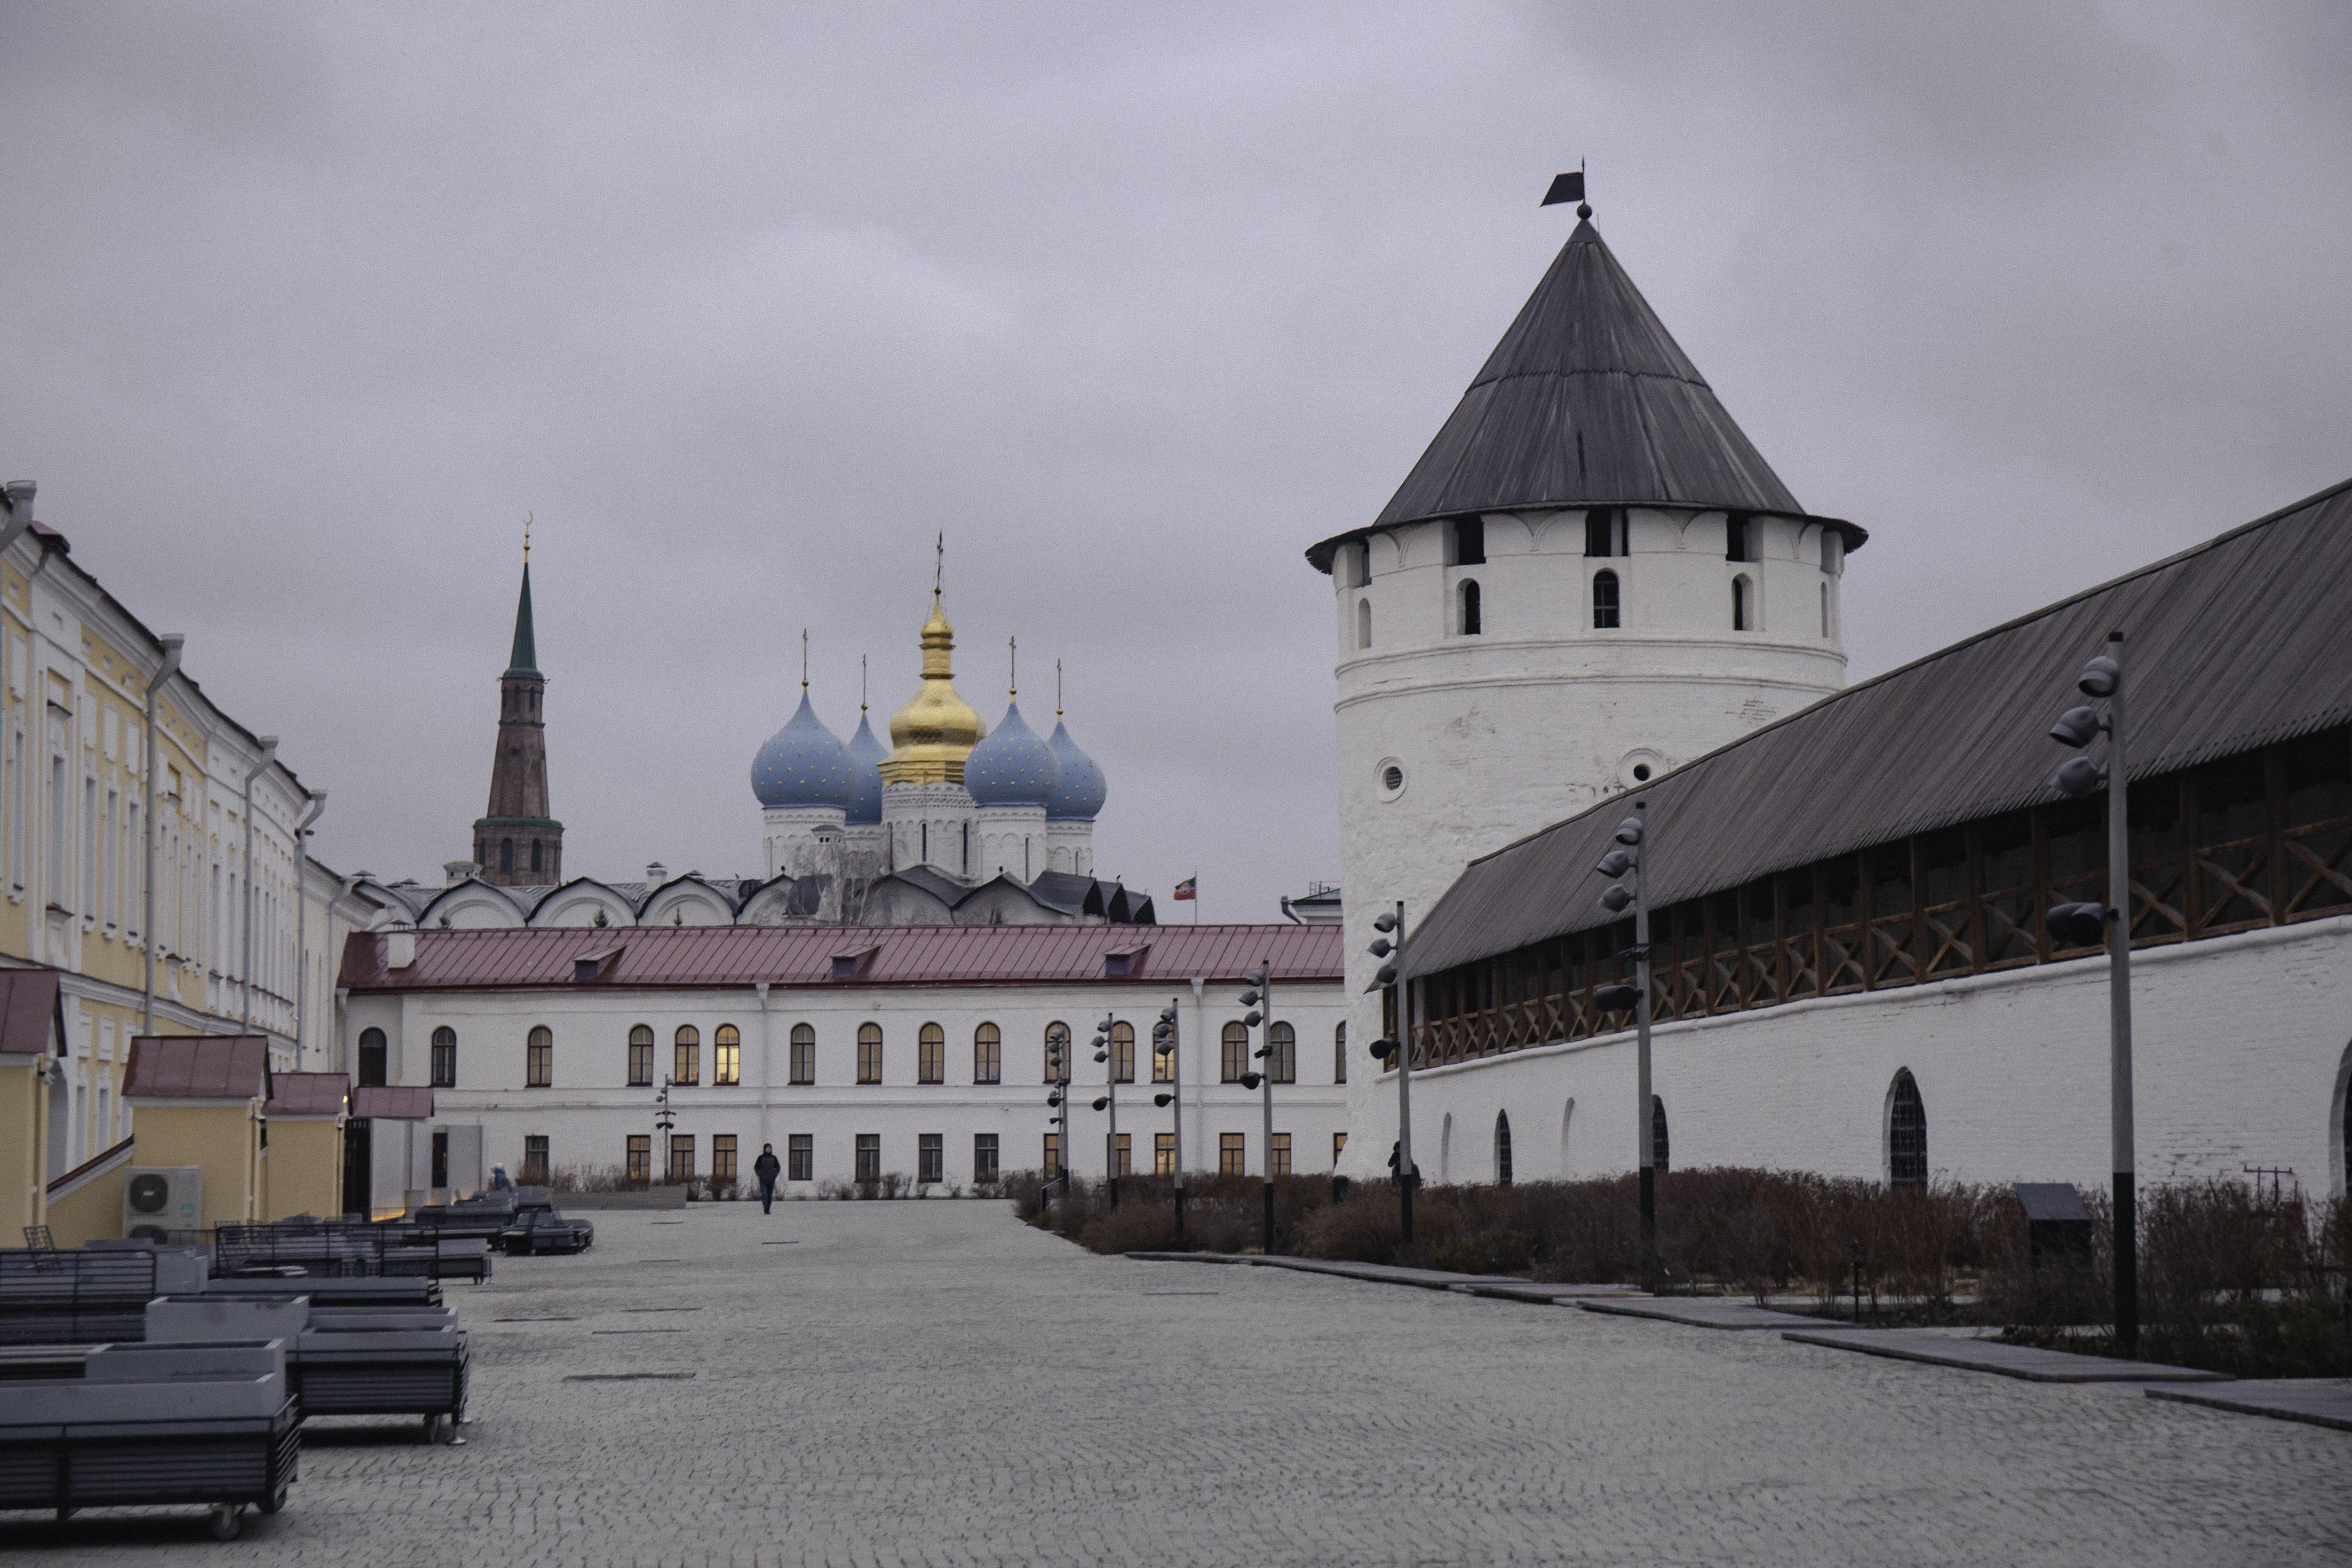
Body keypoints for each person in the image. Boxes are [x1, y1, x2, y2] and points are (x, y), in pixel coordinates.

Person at [753, 1142, 782, 1214]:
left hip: (771, 1179)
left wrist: (774, 1175)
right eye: (767, 1148)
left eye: (770, 1148)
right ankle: (765, 1208)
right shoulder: (761, 1158)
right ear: (765, 1149)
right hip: (763, 1179)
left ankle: (768, 1209)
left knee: (770, 1195)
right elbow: (756, 1167)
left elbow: (778, 1168)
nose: (769, 1150)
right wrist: (760, 1175)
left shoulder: (774, 1158)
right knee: (764, 1194)